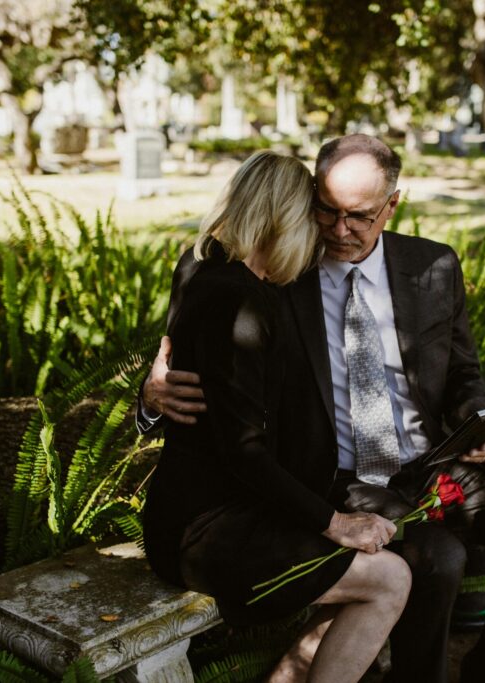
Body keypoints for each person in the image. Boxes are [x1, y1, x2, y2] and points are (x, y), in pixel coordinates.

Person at [141, 135, 485, 683]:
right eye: (326, 211)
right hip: (340, 476)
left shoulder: (433, 266)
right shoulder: (279, 265)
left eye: (359, 216)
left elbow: (464, 371)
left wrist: (479, 418)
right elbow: (197, 353)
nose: (340, 230)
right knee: (437, 558)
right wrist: (148, 395)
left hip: (430, 460)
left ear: (392, 204)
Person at [141, 150, 412, 683]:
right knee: (389, 579)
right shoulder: (235, 300)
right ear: (286, 216)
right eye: (315, 216)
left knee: (378, 571)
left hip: (228, 510)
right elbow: (240, 446)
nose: (326, 233)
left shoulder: (210, 267)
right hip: (211, 529)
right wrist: (334, 523)